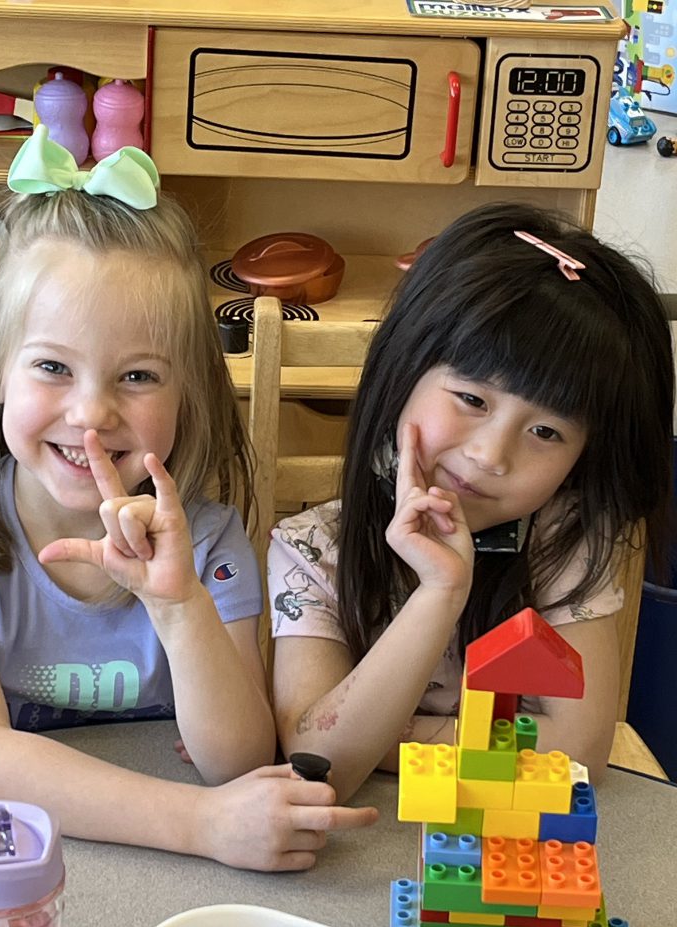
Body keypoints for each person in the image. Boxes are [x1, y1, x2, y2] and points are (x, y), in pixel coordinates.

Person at [0, 126, 377, 871]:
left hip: (162, 879)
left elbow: (237, 760)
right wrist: (201, 825)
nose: (91, 413)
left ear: (188, 391)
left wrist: (178, 604)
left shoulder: (210, 542)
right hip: (13, 867)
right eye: (53, 367)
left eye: (138, 377)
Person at [269, 201, 675, 800]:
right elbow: (319, 759)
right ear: (403, 368)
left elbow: (581, 752)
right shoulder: (312, 550)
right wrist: (440, 592)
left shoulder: (567, 545)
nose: (491, 455)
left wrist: (389, 735)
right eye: (472, 398)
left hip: (504, 840)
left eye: (546, 432)